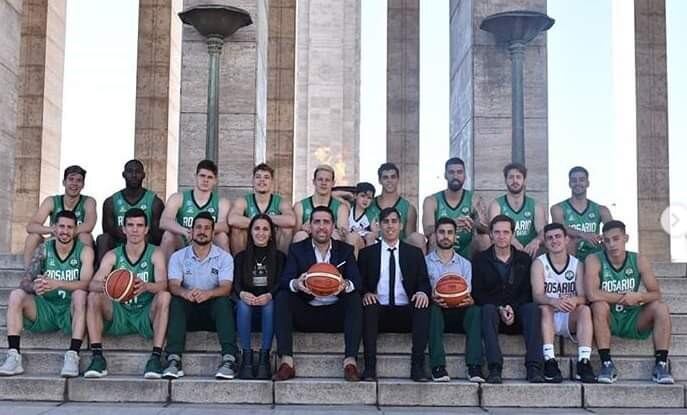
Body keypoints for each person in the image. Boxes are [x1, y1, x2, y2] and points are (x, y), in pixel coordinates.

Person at [273, 206, 363, 382]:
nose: (321, 226)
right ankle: (286, 362)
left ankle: (350, 362)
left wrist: (345, 285)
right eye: (317, 222)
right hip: (307, 312)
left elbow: (357, 282)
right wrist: (296, 284)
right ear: (309, 226)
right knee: (283, 297)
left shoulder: (345, 250)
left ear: (333, 226)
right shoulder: (297, 249)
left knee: (354, 298)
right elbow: (285, 280)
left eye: (326, 222)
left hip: (335, 314)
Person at [0, 211, 93, 377]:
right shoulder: (44, 250)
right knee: (16, 295)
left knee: (80, 295)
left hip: (69, 310)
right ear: (55, 228)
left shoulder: (85, 251)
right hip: (46, 308)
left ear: (75, 229)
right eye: (62, 226)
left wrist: (58, 284)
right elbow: (25, 281)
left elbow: (87, 284)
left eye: (69, 227)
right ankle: (14, 355)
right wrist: (34, 287)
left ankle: (73, 354)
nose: (65, 231)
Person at [84, 208, 171, 379]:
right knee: (93, 297)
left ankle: (155, 358)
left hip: (145, 312)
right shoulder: (113, 256)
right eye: (130, 225)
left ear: (146, 229)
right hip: (119, 312)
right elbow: (92, 284)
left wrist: (146, 286)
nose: (135, 229)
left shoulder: (155, 253)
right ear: (123, 229)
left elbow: (163, 285)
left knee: (165, 296)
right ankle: (97, 357)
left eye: (139, 225)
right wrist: (110, 285)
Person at [585, 220, 674, 384]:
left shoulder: (638, 259)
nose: (611, 244)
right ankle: (606, 363)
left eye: (616, 238)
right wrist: (625, 297)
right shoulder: (594, 259)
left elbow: (656, 293)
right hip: (608, 317)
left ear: (625, 238)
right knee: (598, 305)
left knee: (661, 308)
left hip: (632, 317)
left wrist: (639, 297)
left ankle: (661, 364)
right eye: (607, 240)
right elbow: (591, 294)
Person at [358, 207, 430, 382]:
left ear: (401, 224)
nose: (390, 226)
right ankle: (369, 368)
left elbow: (424, 281)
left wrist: (422, 292)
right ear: (379, 225)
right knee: (369, 307)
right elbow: (359, 282)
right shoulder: (367, 254)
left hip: (405, 310)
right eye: (386, 222)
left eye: (394, 221)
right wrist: (366, 293)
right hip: (378, 311)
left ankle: (418, 367)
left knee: (422, 307)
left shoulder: (413, 253)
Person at [162, 212, 237, 380]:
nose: (202, 231)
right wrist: (185, 292)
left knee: (223, 302)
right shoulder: (178, 256)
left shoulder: (224, 258)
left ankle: (229, 359)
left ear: (212, 233)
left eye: (207, 228)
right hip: (189, 310)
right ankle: (173, 359)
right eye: (198, 227)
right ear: (191, 231)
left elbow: (226, 287)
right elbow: (173, 285)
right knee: (176, 301)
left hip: (213, 312)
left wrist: (208, 293)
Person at [472, 215, 544, 383]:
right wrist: (500, 308)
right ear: (490, 234)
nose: (501, 236)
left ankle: (534, 367)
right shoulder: (480, 260)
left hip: (518, 312)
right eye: (497, 232)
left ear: (513, 234)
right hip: (494, 314)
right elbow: (478, 293)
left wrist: (511, 307)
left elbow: (527, 291)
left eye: (506, 232)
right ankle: (494, 368)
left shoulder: (524, 259)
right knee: (487, 309)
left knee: (533, 308)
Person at [531, 223, 596, 383]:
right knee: (545, 308)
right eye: (550, 238)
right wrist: (553, 301)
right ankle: (549, 360)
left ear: (566, 239)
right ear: (545, 243)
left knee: (585, 310)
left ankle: (584, 361)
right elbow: (537, 295)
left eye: (558, 236)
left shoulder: (577, 264)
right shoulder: (539, 263)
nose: (554, 240)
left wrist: (574, 300)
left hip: (569, 315)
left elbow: (583, 296)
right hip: (549, 317)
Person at [426, 217, 483, 383]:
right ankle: (438, 366)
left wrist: (469, 300)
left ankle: (474, 366)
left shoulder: (465, 264)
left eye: (450, 232)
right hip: (438, 312)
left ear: (455, 236)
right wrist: (432, 297)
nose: (445, 236)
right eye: (442, 232)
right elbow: (423, 289)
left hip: (459, 311)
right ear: (435, 235)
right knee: (432, 310)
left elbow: (468, 293)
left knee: (475, 311)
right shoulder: (425, 262)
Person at [233, 214, 286, 379]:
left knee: (270, 305)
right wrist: (243, 294)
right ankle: (247, 358)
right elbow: (235, 284)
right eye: (257, 228)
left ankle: (264, 359)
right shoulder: (241, 257)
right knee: (242, 304)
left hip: (268, 309)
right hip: (247, 309)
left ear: (271, 234)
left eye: (265, 229)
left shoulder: (279, 257)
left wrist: (269, 295)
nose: (261, 233)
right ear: (250, 232)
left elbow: (281, 283)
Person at [23, 165, 97, 268]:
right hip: (55, 242)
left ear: (83, 184)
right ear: (64, 182)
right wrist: (52, 230)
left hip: (75, 243)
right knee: (32, 237)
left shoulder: (88, 201)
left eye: (79, 180)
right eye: (71, 179)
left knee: (85, 236)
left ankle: (83, 275)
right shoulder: (51, 201)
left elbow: (89, 225)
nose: (74, 183)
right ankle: (29, 274)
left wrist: (65, 233)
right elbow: (31, 226)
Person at [159, 159, 231, 259]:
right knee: (168, 236)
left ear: (215, 181)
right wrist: (185, 231)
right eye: (202, 176)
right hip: (185, 238)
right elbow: (164, 221)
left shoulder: (221, 202)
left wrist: (200, 231)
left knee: (222, 237)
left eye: (210, 177)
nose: (205, 180)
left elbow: (224, 226)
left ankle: (226, 273)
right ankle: (163, 274)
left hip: (208, 240)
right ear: (195, 176)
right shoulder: (178, 198)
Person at [96, 159, 164, 262]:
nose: (134, 175)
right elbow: (108, 232)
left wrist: (136, 238)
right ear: (123, 174)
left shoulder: (155, 202)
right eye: (130, 171)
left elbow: (157, 236)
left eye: (138, 172)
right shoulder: (110, 202)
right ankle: (103, 275)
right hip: (119, 247)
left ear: (144, 175)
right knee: (103, 239)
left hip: (145, 247)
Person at [422, 157, 489, 260]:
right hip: (441, 247)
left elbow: (488, 229)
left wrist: (472, 223)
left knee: (484, 239)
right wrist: (452, 224)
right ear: (445, 175)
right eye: (451, 172)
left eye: (459, 172)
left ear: (465, 175)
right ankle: (433, 274)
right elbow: (427, 230)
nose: (455, 176)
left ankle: (483, 275)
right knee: (434, 238)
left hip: (467, 248)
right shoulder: (432, 200)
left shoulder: (475, 199)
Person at [228, 163, 296, 254]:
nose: (262, 180)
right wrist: (257, 222)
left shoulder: (280, 202)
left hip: (272, 242)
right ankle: (239, 264)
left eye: (266, 177)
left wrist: (265, 219)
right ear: (253, 181)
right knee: (236, 229)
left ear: (272, 182)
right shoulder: (243, 200)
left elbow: (291, 220)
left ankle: (282, 264)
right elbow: (232, 219)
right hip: (250, 242)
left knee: (286, 229)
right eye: (258, 177)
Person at [551, 166, 613, 261]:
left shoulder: (601, 209)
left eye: (581, 180)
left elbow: (612, 230)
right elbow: (560, 229)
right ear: (569, 184)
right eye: (574, 180)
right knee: (569, 242)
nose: (578, 183)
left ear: (587, 183)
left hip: (594, 255)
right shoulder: (558, 208)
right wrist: (584, 235)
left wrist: (602, 237)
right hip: (570, 255)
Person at [488, 163, 547, 257]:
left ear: (525, 181)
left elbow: (542, 231)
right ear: (505, 180)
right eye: (511, 177)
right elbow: (494, 231)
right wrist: (512, 241)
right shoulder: (496, 205)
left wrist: (536, 241)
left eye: (518, 177)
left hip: (530, 251)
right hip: (506, 249)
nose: (514, 181)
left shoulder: (535, 205)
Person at [366, 163, 425, 251]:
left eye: (393, 177)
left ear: (398, 179)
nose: (389, 180)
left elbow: (410, 238)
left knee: (418, 238)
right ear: (379, 180)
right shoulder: (368, 204)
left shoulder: (408, 208)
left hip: (398, 250)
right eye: (385, 177)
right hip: (372, 249)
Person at [292, 165, 350, 243]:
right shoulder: (300, 206)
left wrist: (340, 231)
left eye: (327, 180)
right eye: (320, 179)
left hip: (330, 244)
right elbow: (294, 234)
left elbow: (343, 234)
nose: (323, 183)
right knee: (300, 235)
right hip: (307, 245)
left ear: (333, 183)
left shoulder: (341, 207)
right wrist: (303, 228)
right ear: (314, 182)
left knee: (335, 234)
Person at [347, 182, 379, 255]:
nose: (365, 200)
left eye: (369, 198)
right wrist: (348, 194)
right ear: (355, 196)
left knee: (370, 236)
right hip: (347, 241)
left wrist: (362, 232)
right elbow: (333, 194)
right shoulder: (349, 208)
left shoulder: (371, 214)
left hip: (362, 245)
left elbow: (375, 234)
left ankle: (368, 263)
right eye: (362, 196)